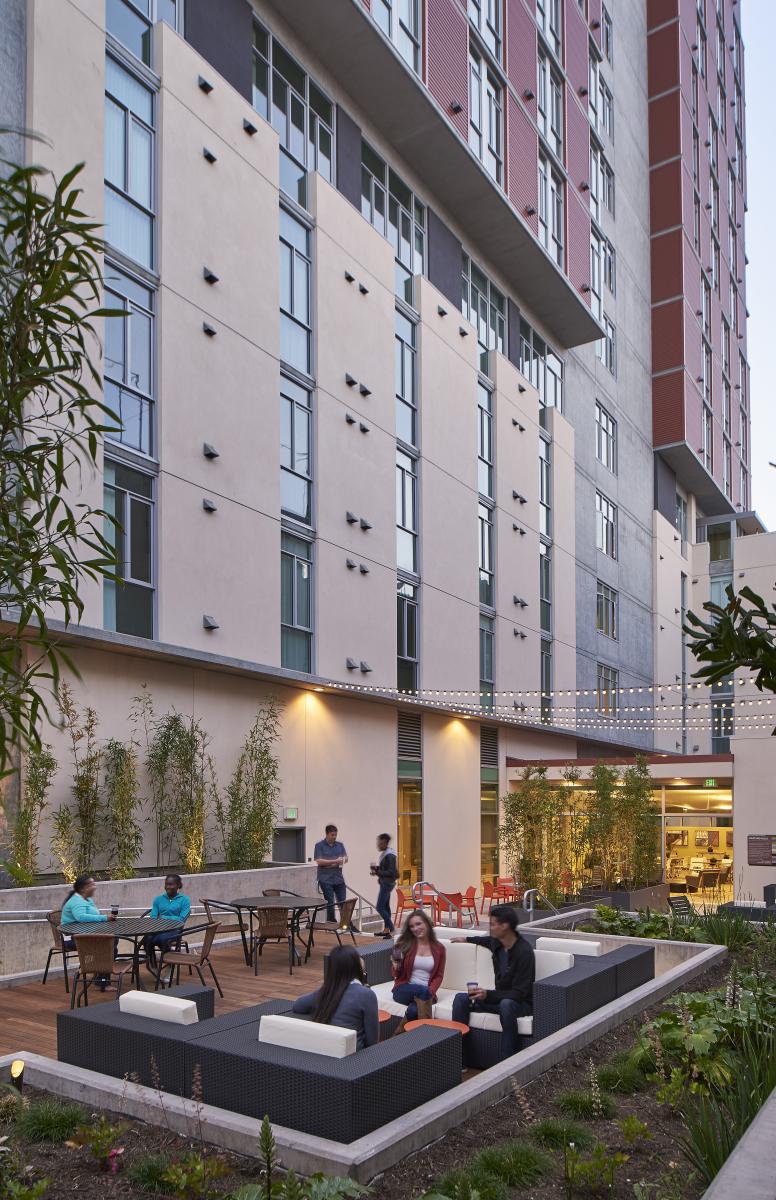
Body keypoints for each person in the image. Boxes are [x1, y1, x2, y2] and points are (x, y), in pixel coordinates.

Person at [450, 904, 534, 1061]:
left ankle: (507, 1060)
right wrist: (466, 939)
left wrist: (488, 994)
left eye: (493, 924)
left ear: (505, 926)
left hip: (520, 1004)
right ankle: (459, 1058)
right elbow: (485, 940)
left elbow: (520, 993)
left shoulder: (524, 952)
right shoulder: (497, 942)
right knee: (461, 999)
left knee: (507, 1005)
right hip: (497, 1000)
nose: (490, 927)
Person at [292, 944, 378, 1049]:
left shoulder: (326, 991)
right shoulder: (366, 995)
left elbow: (298, 1006)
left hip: (324, 1052)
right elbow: (372, 1041)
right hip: (354, 1059)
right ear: (355, 965)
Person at [60, 873, 117, 989]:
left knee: (112, 942)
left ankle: (99, 976)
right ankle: (101, 980)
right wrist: (105, 918)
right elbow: (81, 917)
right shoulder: (76, 901)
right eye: (92, 884)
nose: (95, 886)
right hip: (74, 938)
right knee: (110, 944)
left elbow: (92, 914)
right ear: (83, 888)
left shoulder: (87, 899)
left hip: (85, 934)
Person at [391, 909, 446, 1027]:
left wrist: (430, 992)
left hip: (427, 992)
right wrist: (396, 965)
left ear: (426, 923)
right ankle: (427, 1037)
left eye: (418, 924)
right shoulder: (403, 944)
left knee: (413, 1011)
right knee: (422, 991)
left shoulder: (439, 948)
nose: (415, 928)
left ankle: (398, 1036)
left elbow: (439, 976)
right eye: (412, 926)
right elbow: (395, 974)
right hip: (403, 989)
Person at [143, 874, 191, 969]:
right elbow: (153, 917)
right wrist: (164, 919)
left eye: (171, 884)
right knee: (146, 940)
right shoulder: (158, 899)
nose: (168, 887)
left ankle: (170, 966)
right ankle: (153, 967)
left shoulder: (184, 900)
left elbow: (181, 919)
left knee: (162, 940)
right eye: (166, 884)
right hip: (158, 928)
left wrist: (163, 917)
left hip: (175, 930)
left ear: (178, 885)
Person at [314, 824, 348, 923]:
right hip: (325, 879)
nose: (334, 837)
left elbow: (345, 858)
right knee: (330, 902)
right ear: (327, 834)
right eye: (332, 835)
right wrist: (335, 861)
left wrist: (342, 860)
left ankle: (346, 923)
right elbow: (319, 861)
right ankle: (331, 922)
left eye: (335, 835)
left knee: (342, 902)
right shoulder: (319, 845)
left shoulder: (340, 845)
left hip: (338, 878)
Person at [371, 833, 399, 937]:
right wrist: (377, 869)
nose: (378, 845)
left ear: (385, 843)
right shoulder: (386, 854)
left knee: (380, 907)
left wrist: (377, 872)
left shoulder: (389, 855)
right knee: (386, 907)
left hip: (387, 884)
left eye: (380, 843)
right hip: (386, 883)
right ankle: (387, 930)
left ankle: (392, 929)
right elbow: (386, 869)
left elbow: (391, 872)